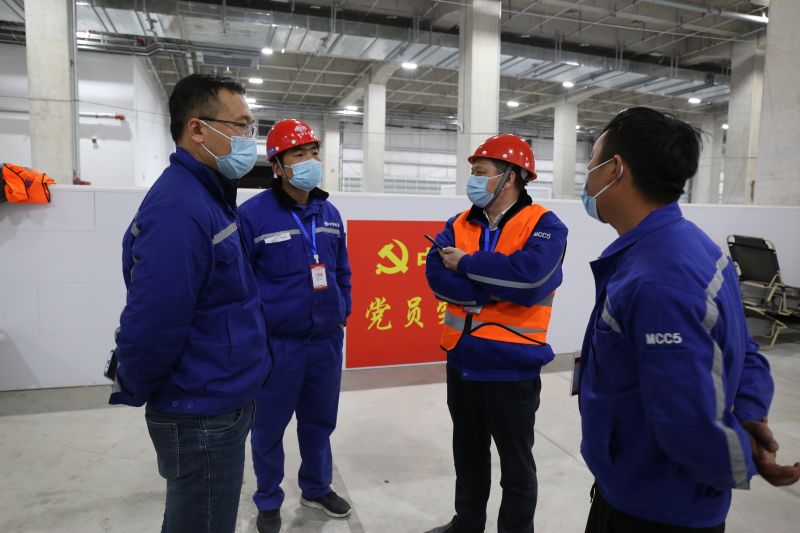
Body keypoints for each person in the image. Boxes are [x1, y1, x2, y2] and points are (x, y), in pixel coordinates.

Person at [577, 107, 800, 533]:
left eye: (591, 163)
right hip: (636, 490)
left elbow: (689, 424)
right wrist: (750, 414)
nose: (587, 177)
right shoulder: (694, 247)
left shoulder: (655, 279)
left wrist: (745, 459)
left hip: (653, 509)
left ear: (615, 169)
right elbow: (746, 351)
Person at [108, 73, 273, 533]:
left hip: (218, 396)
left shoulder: (209, 197)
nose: (249, 139)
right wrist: (136, 383)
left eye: (251, 127)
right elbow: (153, 322)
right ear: (197, 129)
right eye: (240, 126)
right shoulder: (179, 210)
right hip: (199, 409)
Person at [424, 134, 568, 533]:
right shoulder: (457, 223)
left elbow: (531, 280)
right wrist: (493, 287)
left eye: (480, 171)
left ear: (510, 177)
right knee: (468, 456)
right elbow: (436, 277)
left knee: (516, 467)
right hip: (462, 362)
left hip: (511, 367)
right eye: (473, 171)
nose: (472, 179)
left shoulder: (545, 225)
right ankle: (467, 523)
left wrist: (466, 265)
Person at [238, 119, 352, 533]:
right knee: (268, 427)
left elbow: (341, 271)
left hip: (325, 342)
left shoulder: (329, 213)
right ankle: (268, 498)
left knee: (320, 422)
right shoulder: (252, 216)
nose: (310, 161)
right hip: (277, 346)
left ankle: (316, 487)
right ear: (277, 166)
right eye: (299, 155)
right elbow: (241, 284)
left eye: (313, 153)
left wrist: (342, 311)